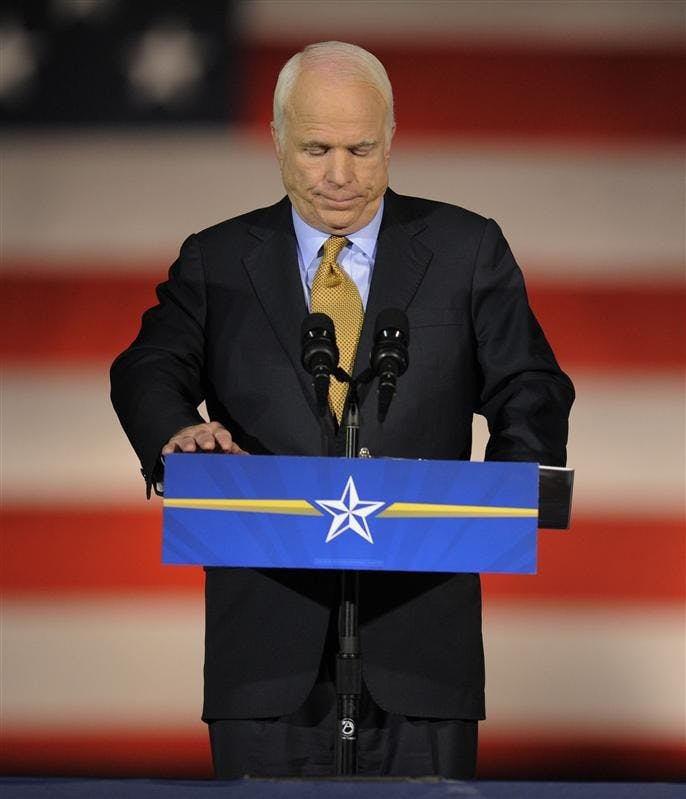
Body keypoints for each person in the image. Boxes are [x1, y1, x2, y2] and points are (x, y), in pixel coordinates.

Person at [111, 41, 574, 779]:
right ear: (277, 142)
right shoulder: (219, 258)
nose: (339, 174)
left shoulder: (466, 249)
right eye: (317, 147)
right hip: (264, 652)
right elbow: (146, 367)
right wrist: (176, 431)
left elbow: (533, 387)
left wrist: (493, 504)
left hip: (422, 641)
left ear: (390, 139)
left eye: (361, 148)